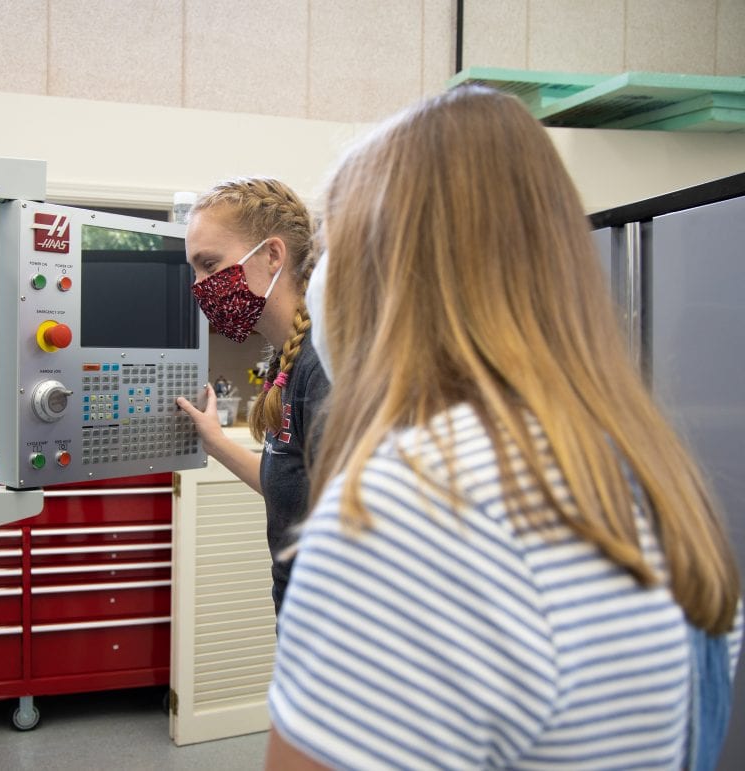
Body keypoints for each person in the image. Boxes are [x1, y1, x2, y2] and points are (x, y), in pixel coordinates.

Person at [266, 85, 743, 769]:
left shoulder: (416, 505)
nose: (319, 284)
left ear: (387, 276)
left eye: (331, 251)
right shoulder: (653, 480)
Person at [176, 176, 330, 616]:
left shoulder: (323, 366)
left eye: (210, 264)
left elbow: (354, 524)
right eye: (195, 270)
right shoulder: (288, 357)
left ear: (272, 254)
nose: (201, 286)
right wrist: (215, 442)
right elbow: (288, 489)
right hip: (299, 608)